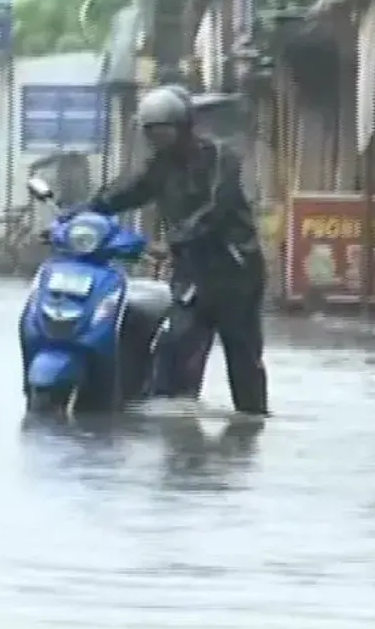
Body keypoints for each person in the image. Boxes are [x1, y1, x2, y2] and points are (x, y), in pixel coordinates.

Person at [81, 85, 269, 417]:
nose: (159, 140)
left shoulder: (220, 158)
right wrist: (82, 215)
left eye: (165, 131)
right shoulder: (158, 166)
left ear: (184, 127)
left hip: (234, 272)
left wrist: (181, 236)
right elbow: (124, 193)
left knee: (243, 357)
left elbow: (217, 206)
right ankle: (178, 435)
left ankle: (251, 424)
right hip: (191, 274)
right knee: (175, 347)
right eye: (152, 133)